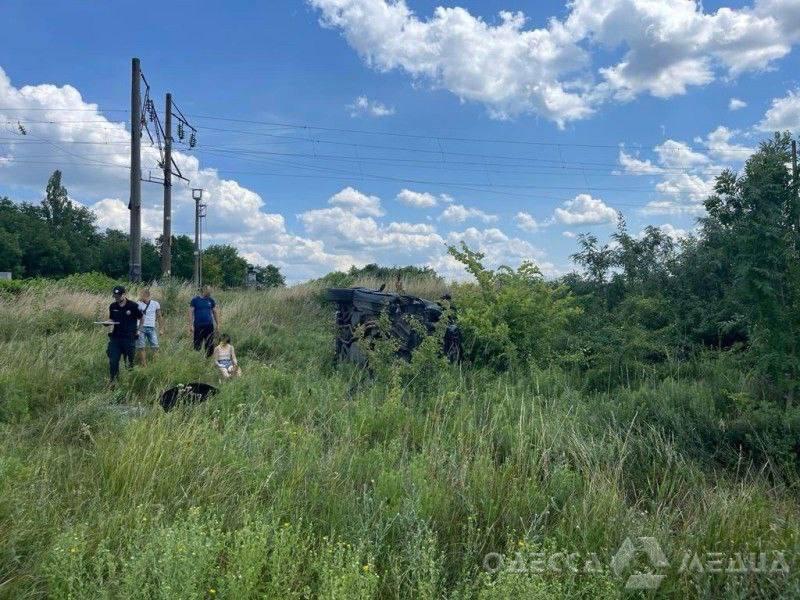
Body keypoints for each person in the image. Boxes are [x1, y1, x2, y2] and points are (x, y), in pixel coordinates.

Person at [106, 285, 143, 382]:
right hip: (116, 338)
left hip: (129, 337)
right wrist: (108, 323)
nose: (116, 298)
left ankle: (131, 380)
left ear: (124, 294)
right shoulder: (113, 306)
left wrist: (138, 331)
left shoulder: (133, 306)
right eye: (115, 296)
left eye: (118, 296)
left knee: (129, 362)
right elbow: (111, 319)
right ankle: (113, 381)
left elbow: (142, 318)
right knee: (113, 360)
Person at [136, 288, 164, 366]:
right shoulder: (138, 304)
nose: (141, 297)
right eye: (141, 295)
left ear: (148, 295)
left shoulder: (155, 304)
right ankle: (144, 365)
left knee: (155, 346)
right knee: (141, 347)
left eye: (143, 295)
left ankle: (156, 364)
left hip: (151, 327)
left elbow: (159, 316)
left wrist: (161, 329)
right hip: (140, 327)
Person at [190, 285, 220, 357]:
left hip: (209, 325)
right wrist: (190, 325)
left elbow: (215, 312)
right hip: (198, 325)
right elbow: (190, 312)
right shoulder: (195, 300)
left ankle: (208, 358)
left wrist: (218, 324)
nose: (210, 292)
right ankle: (196, 358)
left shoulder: (211, 300)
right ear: (204, 290)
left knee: (209, 343)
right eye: (209, 290)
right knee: (197, 343)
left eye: (211, 291)